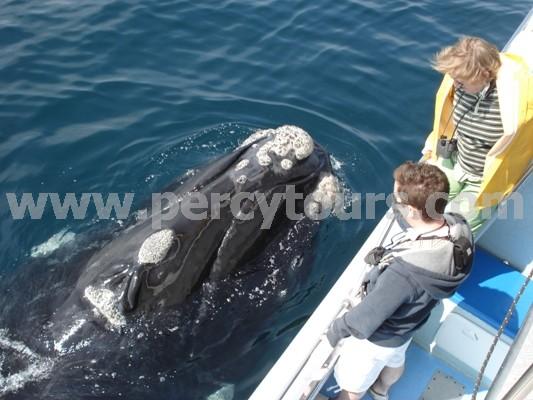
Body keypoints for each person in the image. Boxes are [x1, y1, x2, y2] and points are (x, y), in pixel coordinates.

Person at [325, 162, 473, 400]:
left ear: (413, 211)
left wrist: (334, 332)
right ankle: (382, 390)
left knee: (353, 385)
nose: (393, 202)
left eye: (396, 200)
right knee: (395, 361)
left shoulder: (404, 275)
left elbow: (366, 319)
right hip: (409, 324)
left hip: (378, 338)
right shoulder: (458, 227)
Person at [422, 36, 532, 236]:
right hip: (455, 162)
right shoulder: (459, 83)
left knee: (452, 228)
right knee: (423, 204)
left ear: (484, 75)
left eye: (461, 81)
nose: (455, 83)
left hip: (484, 181)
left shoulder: (517, 104)